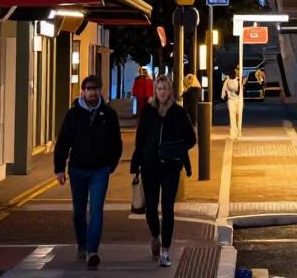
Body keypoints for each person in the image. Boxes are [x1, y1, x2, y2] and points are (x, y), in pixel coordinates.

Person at [53, 74, 123, 269]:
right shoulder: (73, 114)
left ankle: (93, 251)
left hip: (100, 170)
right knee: (78, 213)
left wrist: (111, 165)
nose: (93, 92)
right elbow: (63, 142)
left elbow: (116, 143)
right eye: (89, 89)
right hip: (77, 170)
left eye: (96, 89)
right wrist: (59, 169)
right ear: (82, 92)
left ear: (100, 91)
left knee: (96, 211)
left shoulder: (109, 114)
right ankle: (82, 245)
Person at [131, 74, 196, 267]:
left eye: (165, 88)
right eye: (159, 89)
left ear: (170, 90)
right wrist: (135, 166)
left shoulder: (178, 112)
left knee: (168, 208)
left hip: (170, 167)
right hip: (150, 166)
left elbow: (191, 139)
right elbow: (139, 140)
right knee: (151, 208)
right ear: (155, 90)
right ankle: (155, 235)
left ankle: (166, 251)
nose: (162, 92)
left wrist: (177, 149)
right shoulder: (148, 112)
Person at [221, 68, 242, 136]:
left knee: (232, 117)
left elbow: (223, 94)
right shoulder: (238, 81)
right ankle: (238, 131)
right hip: (238, 101)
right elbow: (240, 92)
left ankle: (234, 132)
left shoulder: (227, 81)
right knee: (238, 117)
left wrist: (226, 100)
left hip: (231, 101)